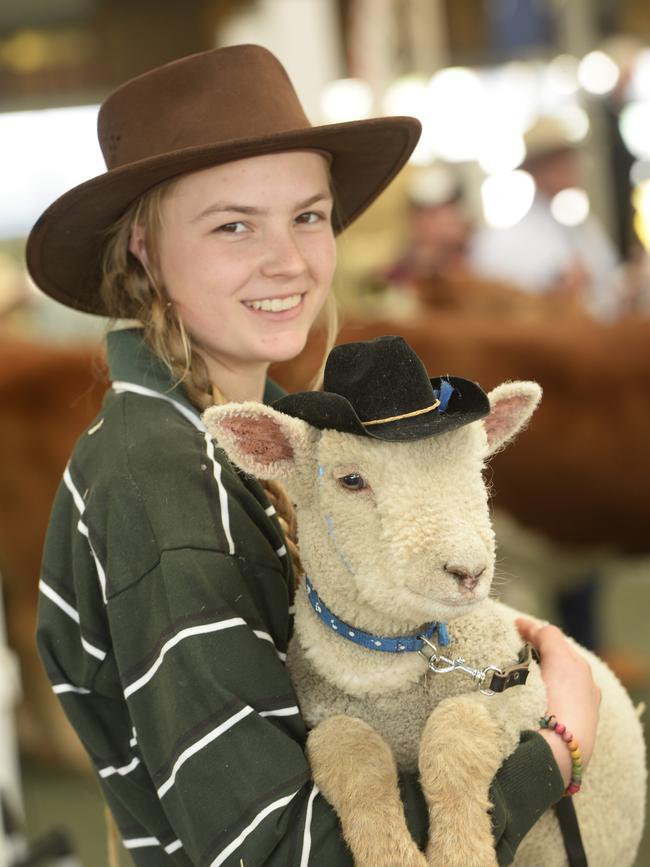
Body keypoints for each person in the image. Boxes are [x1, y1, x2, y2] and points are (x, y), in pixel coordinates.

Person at [27, 44, 600, 866]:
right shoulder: (164, 483)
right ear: (145, 250)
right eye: (233, 224)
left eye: (308, 214)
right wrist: (555, 748)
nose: (290, 261)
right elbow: (278, 849)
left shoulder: (215, 442)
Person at [470, 115, 623, 322]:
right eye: (558, 161)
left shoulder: (584, 227)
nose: (570, 167)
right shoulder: (502, 241)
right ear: (537, 168)